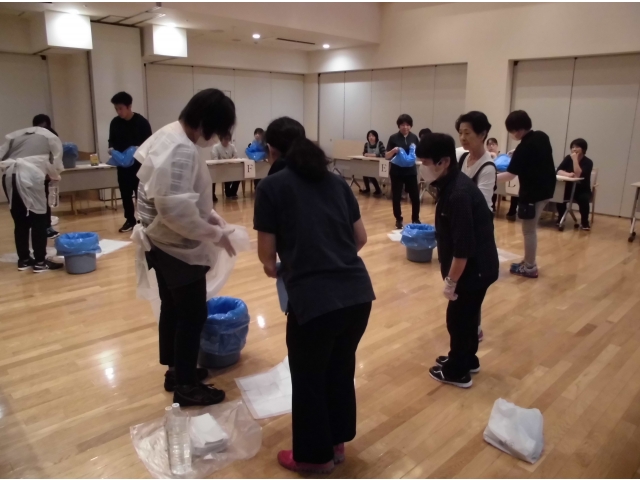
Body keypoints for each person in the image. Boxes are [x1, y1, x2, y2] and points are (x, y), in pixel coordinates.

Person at [254, 138, 375, 474]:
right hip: (357, 296)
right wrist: (333, 255)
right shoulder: (337, 182)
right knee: (339, 369)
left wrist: (282, 266)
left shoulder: (271, 188)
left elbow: (267, 257)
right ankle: (336, 443)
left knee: (309, 378)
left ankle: (313, 457)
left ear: (273, 152)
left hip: (314, 302)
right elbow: (361, 238)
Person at [134, 89, 237, 406]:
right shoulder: (180, 149)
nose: (215, 137)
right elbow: (175, 211)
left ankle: (177, 370)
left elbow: (177, 196)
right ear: (205, 122)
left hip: (158, 240)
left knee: (173, 308)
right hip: (174, 245)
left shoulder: (168, 133)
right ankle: (187, 386)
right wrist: (214, 233)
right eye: (217, 129)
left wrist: (212, 216)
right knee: (192, 314)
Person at [416, 133, 498, 388]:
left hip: (474, 269)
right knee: (468, 316)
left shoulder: (458, 193)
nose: (422, 168)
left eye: (425, 163)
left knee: (459, 319)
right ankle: (466, 358)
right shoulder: (451, 184)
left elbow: (463, 249)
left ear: (444, 162)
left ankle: (457, 370)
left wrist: (451, 282)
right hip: (478, 267)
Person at [498, 110, 556, 279]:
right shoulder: (542, 136)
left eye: (511, 131)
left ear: (516, 130)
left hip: (533, 193)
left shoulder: (523, 148)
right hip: (547, 189)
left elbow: (510, 175)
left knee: (529, 231)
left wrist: (487, 177)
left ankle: (530, 267)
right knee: (530, 229)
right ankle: (527, 261)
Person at [0, 126, 64, 272]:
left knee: (20, 220)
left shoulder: (16, 137)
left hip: (9, 176)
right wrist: (55, 176)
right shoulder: (50, 138)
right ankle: (40, 262)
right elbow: (56, 165)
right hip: (30, 176)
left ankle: (24, 260)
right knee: (39, 219)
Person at [108, 91, 152, 233]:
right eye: (116, 109)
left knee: (141, 194)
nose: (118, 112)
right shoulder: (115, 123)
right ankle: (130, 220)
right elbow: (111, 141)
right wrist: (111, 149)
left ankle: (144, 220)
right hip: (122, 166)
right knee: (125, 194)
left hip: (139, 166)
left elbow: (149, 143)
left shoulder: (141, 122)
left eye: (121, 108)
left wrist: (138, 149)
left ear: (129, 106)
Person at [455, 111, 496, 211]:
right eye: (460, 133)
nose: (462, 138)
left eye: (467, 133)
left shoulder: (488, 167)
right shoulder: (463, 158)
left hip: (479, 217)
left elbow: (481, 203)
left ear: (482, 135)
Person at [386, 114, 421, 229]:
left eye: (407, 125)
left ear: (410, 126)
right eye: (402, 125)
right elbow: (386, 156)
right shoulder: (393, 138)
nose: (405, 127)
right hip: (397, 172)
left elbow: (419, 153)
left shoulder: (414, 138)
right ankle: (398, 219)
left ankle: (415, 219)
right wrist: (393, 151)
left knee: (415, 196)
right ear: (399, 126)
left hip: (411, 171)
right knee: (396, 196)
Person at [32, 114, 60, 238]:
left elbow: (54, 157)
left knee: (44, 202)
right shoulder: (33, 138)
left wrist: (51, 172)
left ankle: (45, 227)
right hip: (34, 174)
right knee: (38, 202)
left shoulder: (51, 136)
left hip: (43, 174)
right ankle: (42, 228)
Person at [556, 138, 593, 231]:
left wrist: (575, 160)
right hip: (568, 187)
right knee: (559, 195)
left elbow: (579, 174)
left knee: (583, 199)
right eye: (572, 147)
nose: (574, 149)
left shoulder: (588, 162)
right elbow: (559, 170)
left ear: (583, 149)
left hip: (582, 189)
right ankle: (561, 217)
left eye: (577, 147)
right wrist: (568, 174)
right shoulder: (568, 158)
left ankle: (584, 222)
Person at [211, 133, 240, 199]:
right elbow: (215, 158)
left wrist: (232, 159)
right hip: (219, 168)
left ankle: (232, 192)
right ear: (221, 139)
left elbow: (236, 155)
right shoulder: (216, 147)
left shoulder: (232, 146)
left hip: (230, 167)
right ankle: (213, 195)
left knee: (239, 174)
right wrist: (223, 160)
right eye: (225, 139)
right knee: (213, 177)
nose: (227, 141)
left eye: (228, 139)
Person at [360, 130, 385, 196]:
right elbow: (364, 153)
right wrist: (365, 154)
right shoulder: (366, 144)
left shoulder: (380, 143)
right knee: (365, 173)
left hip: (379, 164)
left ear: (376, 137)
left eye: (373, 136)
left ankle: (378, 189)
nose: (371, 137)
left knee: (370, 173)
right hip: (369, 163)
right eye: (369, 136)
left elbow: (384, 154)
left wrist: (373, 155)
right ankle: (367, 188)